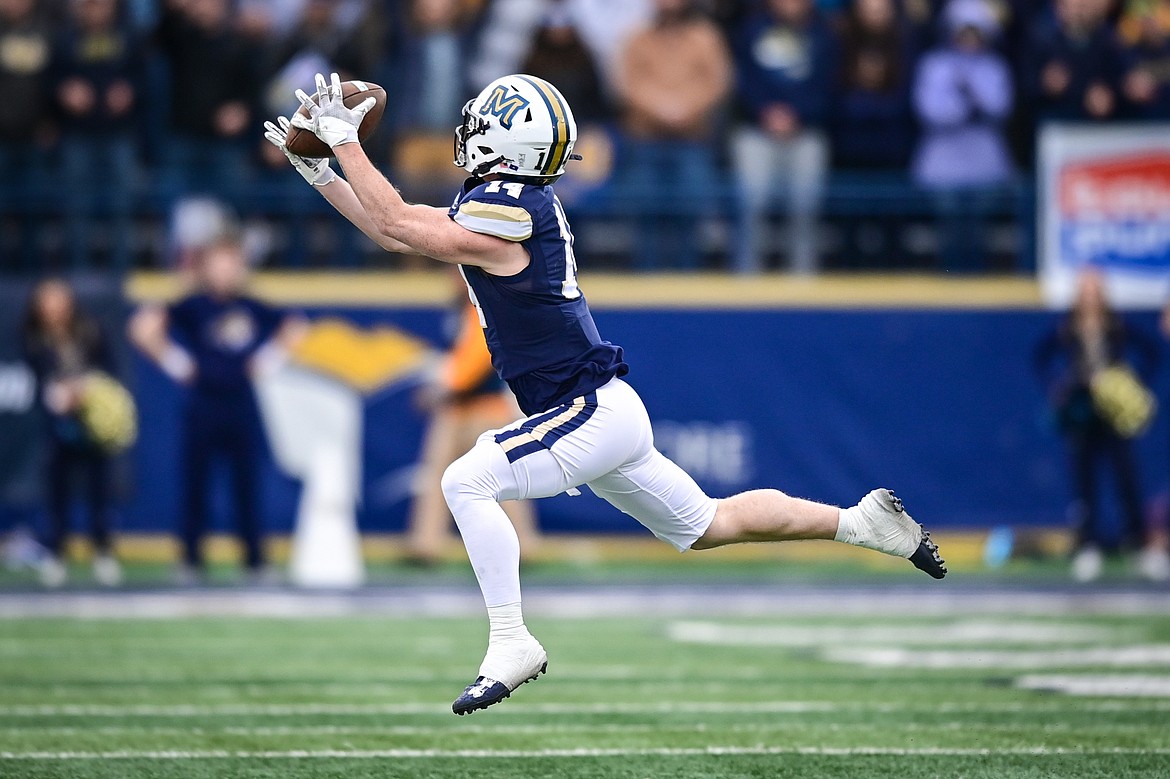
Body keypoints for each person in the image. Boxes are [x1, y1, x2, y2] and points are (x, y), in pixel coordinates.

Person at [265, 70, 946, 716]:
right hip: (600, 409)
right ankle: (861, 522)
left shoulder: (512, 202)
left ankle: (511, 640)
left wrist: (345, 140)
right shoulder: (507, 203)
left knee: (466, 479)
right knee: (710, 523)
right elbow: (397, 228)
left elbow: (399, 225)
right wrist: (322, 169)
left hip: (587, 408)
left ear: (504, 138)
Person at [128, 233, 295, 584]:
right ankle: (191, 560)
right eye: (218, 262)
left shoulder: (251, 305)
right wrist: (175, 362)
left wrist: (268, 360)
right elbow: (143, 327)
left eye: (231, 262)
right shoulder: (192, 305)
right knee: (195, 485)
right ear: (204, 268)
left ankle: (255, 562)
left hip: (241, 403)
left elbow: (295, 327)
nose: (225, 270)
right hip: (203, 404)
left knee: (246, 486)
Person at [1035, 271, 1166, 582]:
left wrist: (1135, 381)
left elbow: (1151, 351)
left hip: (1113, 413)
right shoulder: (1068, 327)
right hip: (1083, 414)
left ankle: (1139, 547)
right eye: (1086, 290)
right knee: (1084, 484)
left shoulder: (1116, 325)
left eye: (1095, 290)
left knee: (1126, 480)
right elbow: (1041, 356)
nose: (1091, 296)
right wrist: (1059, 386)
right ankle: (1087, 547)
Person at [406, 279, 540, 565]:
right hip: (455, 409)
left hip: (485, 407)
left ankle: (522, 546)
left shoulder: (485, 307)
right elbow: (456, 356)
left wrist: (445, 387)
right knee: (437, 478)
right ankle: (426, 546)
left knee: (500, 480)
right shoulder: (459, 309)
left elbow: (479, 356)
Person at [614, 0, 731, 270]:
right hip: (646, 139)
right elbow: (627, 82)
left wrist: (684, 110)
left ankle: (688, 283)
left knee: (691, 210)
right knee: (645, 212)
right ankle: (645, 280)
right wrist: (661, 109)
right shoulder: (637, 38)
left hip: (693, 139)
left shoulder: (705, 37)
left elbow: (717, 81)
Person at [21, 279, 121, 588]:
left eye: (59, 299)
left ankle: (103, 553)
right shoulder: (34, 336)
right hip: (58, 425)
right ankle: (56, 554)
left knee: (98, 492)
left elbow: (109, 370)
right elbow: (37, 380)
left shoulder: (90, 329)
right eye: (47, 301)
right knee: (57, 493)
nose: (54, 307)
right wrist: (57, 395)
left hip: (92, 421)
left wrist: (85, 390)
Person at [731, 0, 837, 274]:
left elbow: (829, 86)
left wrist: (798, 115)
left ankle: (803, 282)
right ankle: (747, 282)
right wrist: (764, 112)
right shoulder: (752, 30)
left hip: (806, 131)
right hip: (757, 129)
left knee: (805, 207)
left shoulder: (823, 35)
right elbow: (742, 80)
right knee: (752, 204)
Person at [911, 0, 1014, 272]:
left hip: (984, 159)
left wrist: (972, 95)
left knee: (978, 228)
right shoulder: (934, 64)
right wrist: (965, 111)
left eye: (974, 33)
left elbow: (1000, 106)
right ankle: (950, 279)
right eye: (963, 32)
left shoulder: (994, 66)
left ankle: (978, 278)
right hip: (943, 160)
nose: (968, 39)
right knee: (949, 226)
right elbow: (929, 109)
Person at [52, 0, 144, 270]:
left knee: (122, 207)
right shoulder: (66, 38)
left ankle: (121, 269)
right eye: (90, 5)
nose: (96, 10)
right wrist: (64, 91)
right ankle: (78, 269)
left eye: (102, 4)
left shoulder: (129, 36)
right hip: (77, 134)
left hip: (120, 134)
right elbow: (51, 79)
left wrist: (129, 91)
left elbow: (144, 79)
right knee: (75, 206)